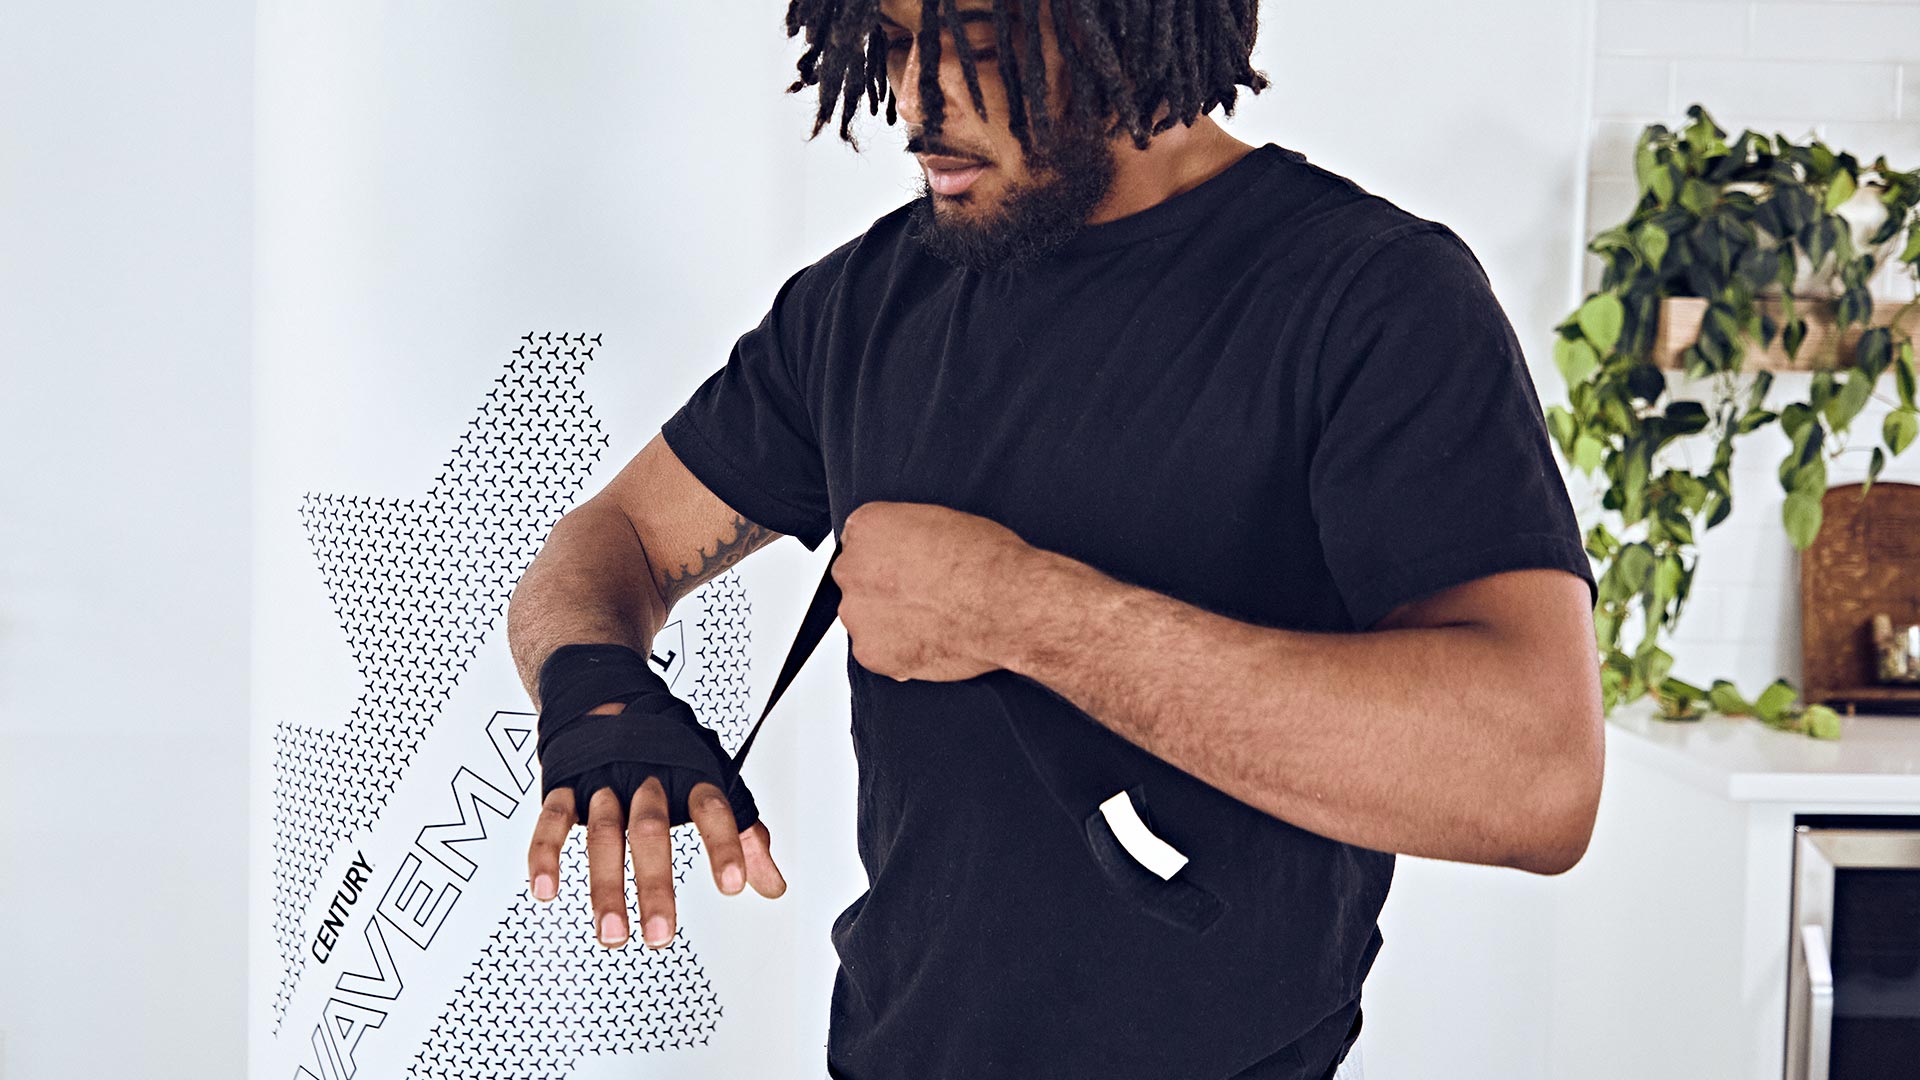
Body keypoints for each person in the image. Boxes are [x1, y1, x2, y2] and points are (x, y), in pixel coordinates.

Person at [506, 0, 1604, 1077]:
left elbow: (1536, 777)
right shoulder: (863, 305)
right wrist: (595, 692)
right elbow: (621, 538)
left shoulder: (1370, 296)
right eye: (892, 41)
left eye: (976, 40)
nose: (915, 98)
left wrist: (1022, 612)